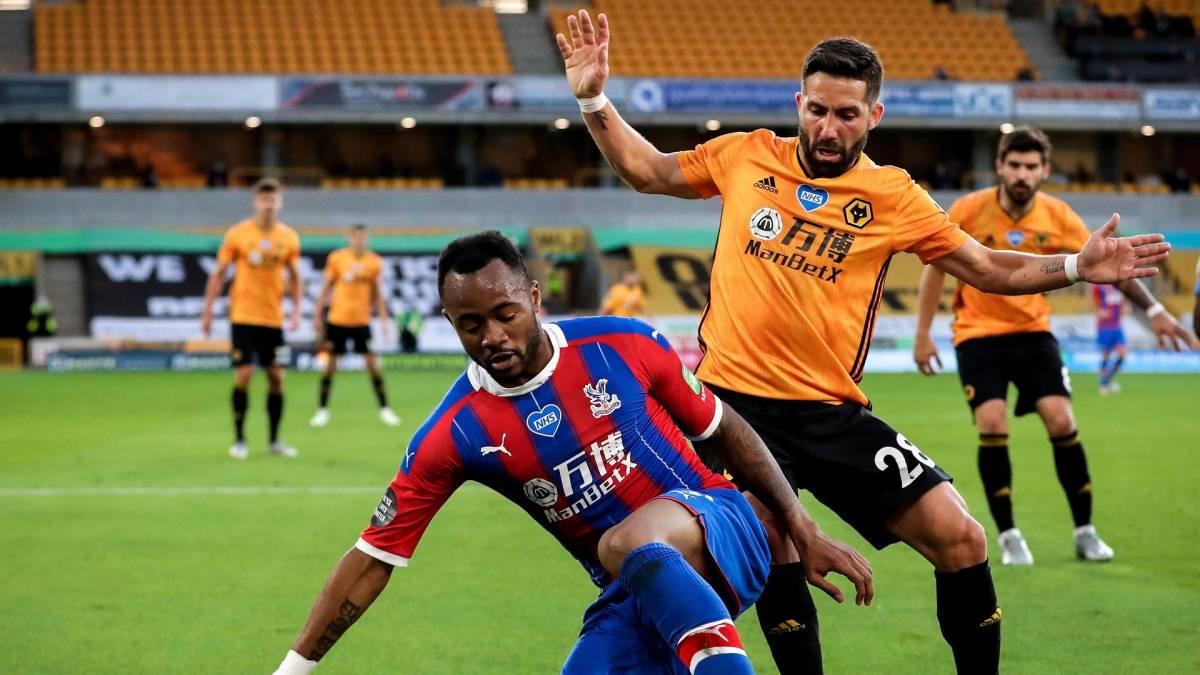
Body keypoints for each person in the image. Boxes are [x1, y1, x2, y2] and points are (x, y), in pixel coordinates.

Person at [557, 12, 1172, 673]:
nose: (829, 128)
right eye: (818, 110)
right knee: (774, 541)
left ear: (873, 115)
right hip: (733, 413)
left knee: (960, 535)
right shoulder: (745, 155)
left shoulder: (892, 195)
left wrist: (1076, 265)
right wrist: (593, 100)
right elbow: (647, 170)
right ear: (799, 103)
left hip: (832, 413)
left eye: (847, 115)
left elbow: (989, 266)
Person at [270, 232, 873, 675]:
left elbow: (725, 429)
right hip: (633, 592)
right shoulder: (452, 433)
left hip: (722, 526)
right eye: (471, 325)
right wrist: (292, 668)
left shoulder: (622, 344)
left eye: (505, 314)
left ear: (534, 297)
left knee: (622, 543)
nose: (492, 337)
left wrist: (800, 526)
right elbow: (373, 557)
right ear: (451, 323)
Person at [913, 126, 1192, 567]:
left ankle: (1085, 530)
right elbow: (935, 268)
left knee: (1062, 420)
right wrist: (923, 333)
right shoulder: (968, 209)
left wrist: (1155, 310)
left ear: (1044, 170)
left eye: (1031, 166)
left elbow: (1104, 265)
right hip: (977, 334)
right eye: (1014, 165)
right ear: (1000, 166)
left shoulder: (1058, 216)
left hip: (1032, 332)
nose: (1022, 174)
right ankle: (1008, 535)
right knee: (992, 422)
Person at [201, 178, 301, 459]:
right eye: (264, 200)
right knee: (244, 374)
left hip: (273, 320)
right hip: (243, 316)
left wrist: (295, 311)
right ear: (256, 203)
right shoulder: (238, 234)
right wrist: (208, 310)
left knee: (277, 378)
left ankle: (274, 440)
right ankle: (239, 440)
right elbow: (219, 272)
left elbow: (295, 277)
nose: (268, 205)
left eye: (273, 200)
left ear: (279, 203)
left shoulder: (289, 237)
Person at [310, 224, 401, 428]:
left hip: (361, 322)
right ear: (350, 238)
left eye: (363, 237)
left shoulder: (373, 262)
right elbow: (325, 289)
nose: (359, 241)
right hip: (337, 321)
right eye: (356, 237)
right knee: (330, 366)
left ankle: (385, 409)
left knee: (372, 366)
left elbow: (377, 295)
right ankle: (322, 410)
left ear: (367, 239)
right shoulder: (337, 258)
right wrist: (317, 315)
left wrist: (384, 322)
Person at [1093, 283, 1126, 395]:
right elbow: (1095, 305)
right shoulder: (1099, 287)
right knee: (1106, 355)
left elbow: (1122, 303)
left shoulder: (1118, 285)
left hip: (1118, 327)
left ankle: (1108, 379)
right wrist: (1100, 312)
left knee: (1122, 355)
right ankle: (1103, 384)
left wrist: (1125, 307)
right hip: (1105, 327)